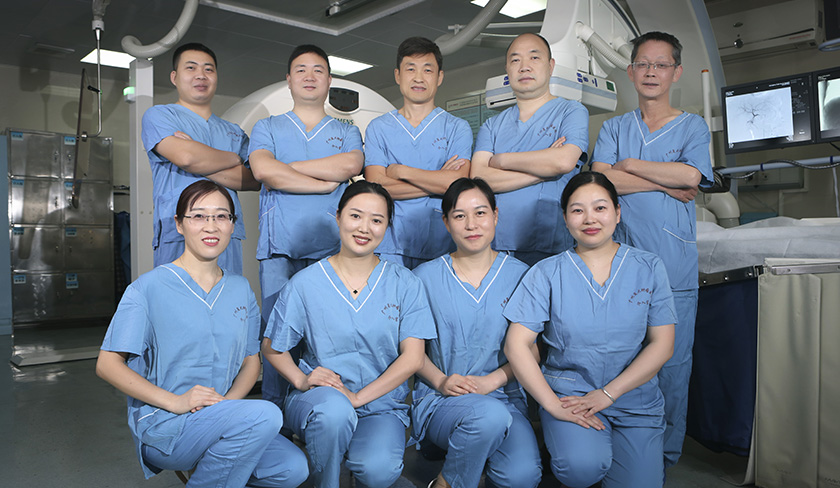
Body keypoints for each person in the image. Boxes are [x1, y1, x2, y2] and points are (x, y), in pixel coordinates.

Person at [96, 180, 308, 487]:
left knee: (291, 468)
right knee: (265, 414)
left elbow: (251, 361)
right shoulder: (147, 288)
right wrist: (175, 402)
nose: (211, 226)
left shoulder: (240, 289)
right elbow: (107, 364)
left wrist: (227, 406)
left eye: (221, 216)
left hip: (223, 416)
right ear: (179, 224)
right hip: (167, 422)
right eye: (198, 216)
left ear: (232, 225)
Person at [504, 172, 676, 488]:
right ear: (565, 217)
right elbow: (516, 345)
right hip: (572, 397)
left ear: (617, 212)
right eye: (577, 210)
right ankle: (579, 452)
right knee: (581, 468)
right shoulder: (546, 273)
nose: (589, 219)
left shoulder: (649, 267)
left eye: (600, 208)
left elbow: (662, 344)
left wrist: (609, 393)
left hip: (634, 398)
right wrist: (552, 405)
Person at [590, 31, 714, 470]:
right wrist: (666, 179)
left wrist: (629, 166)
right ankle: (617, 447)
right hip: (619, 264)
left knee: (673, 365)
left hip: (673, 265)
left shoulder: (693, 126)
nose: (651, 72)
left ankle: (662, 455)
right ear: (630, 71)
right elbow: (600, 182)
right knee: (620, 357)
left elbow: (692, 178)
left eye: (661, 65)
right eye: (643, 64)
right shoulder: (614, 127)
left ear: (675, 72)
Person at [262, 181, 436, 488]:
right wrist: (301, 380)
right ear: (338, 216)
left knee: (378, 471)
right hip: (321, 401)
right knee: (334, 413)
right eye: (355, 216)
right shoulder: (306, 283)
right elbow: (272, 346)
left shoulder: (405, 283)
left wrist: (357, 398)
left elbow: (413, 358)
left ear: (387, 227)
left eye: (376, 220)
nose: (364, 228)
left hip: (381, 404)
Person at [248, 44, 364, 410]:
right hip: (279, 248)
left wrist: (286, 169)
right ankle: (275, 413)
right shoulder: (267, 126)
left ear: (329, 81)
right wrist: (322, 184)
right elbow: (262, 169)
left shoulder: (346, 131)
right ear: (288, 79)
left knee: (326, 333)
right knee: (277, 333)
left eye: (318, 70)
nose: (309, 76)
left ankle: (323, 407)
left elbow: (350, 166)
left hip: (329, 249)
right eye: (301, 69)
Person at [411, 178, 542, 488]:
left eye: (480, 213)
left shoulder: (523, 276)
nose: (471, 224)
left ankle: (467, 461)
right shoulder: (423, 278)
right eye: (459, 216)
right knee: (487, 417)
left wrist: (491, 382)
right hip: (443, 398)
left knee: (522, 477)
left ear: (495, 215)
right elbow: (411, 353)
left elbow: (532, 351)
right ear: (446, 222)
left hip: (503, 396)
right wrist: (441, 381)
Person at [471, 33, 589, 266]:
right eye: (515, 60)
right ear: (507, 69)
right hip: (497, 246)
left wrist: (502, 160)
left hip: (552, 244)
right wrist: (544, 171)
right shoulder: (492, 125)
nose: (524, 66)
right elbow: (479, 178)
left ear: (550, 66)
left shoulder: (571, 111)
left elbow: (564, 161)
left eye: (534, 57)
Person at [142, 43, 259, 274]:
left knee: (227, 293)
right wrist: (233, 158)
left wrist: (198, 158)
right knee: (177, 294)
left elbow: (254, 179)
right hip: (178, 231)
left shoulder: (233, 131)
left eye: (208, 69)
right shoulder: (160, 115)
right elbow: (186, 157)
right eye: (191, 68)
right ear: (174, 77)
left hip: (226, 231)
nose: (201, 75)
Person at [364, 36, 473, 269]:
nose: (419, 78)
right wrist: (438, 181)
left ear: (440, 77)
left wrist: (401, 171)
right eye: (410, 69)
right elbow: (375, 187)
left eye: (427, 70)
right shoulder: (378, 128)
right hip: (390, 244)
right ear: (397, 75)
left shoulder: (457, 128)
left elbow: (458, 184)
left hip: (442, 243)